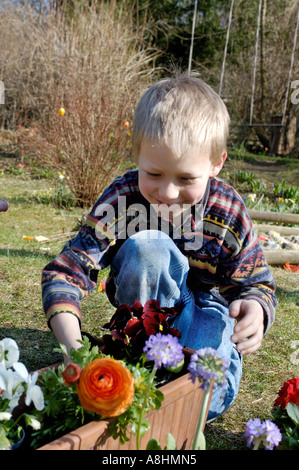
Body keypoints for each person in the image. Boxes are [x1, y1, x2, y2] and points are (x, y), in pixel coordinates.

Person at [42, 74, 277, 421]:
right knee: (148, 246)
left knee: (207, 396)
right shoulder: (123, 200)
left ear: (216, 163)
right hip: (147, 306)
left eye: (185, 178)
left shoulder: (229, 212)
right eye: (153, 173)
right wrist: (74, 348)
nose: (168, 192)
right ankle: (139, 357)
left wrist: (256, 308)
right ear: (136, 154)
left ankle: (182, 383)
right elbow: (67, 271)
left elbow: (256, 282)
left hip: (208, 307)